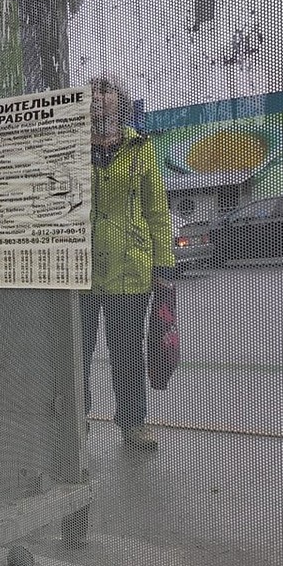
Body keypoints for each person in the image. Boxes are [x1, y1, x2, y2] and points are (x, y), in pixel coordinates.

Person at [82, 76, 175, 451]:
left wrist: (164, 266)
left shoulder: (142, 148)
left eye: (106, 93)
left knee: (126, 351)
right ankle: (78, 419)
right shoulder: (69, 146)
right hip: (79, 269)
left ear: (120, 102)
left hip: (130, 268)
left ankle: (133, 422)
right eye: (92, 94)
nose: (98, 100)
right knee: (77, 351)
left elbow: (157, 209)